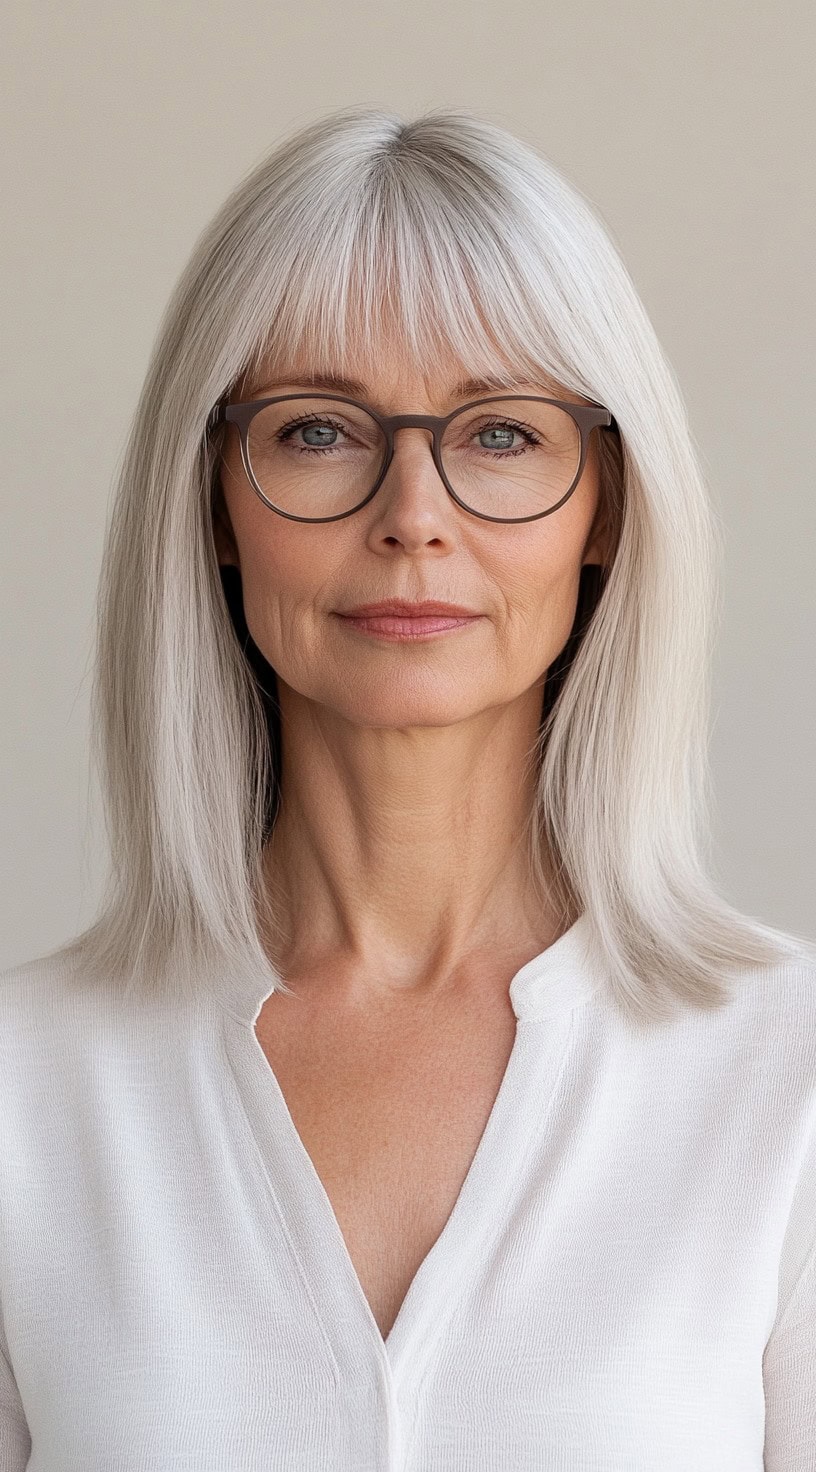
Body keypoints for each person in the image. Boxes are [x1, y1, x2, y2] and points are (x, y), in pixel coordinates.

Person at [1, 105, 813, 1470]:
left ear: (604, 501)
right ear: (212, 499)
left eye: (502, 435)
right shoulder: (25, 1094)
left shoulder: (785, 1077)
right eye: (319, 431)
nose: (414, 514)